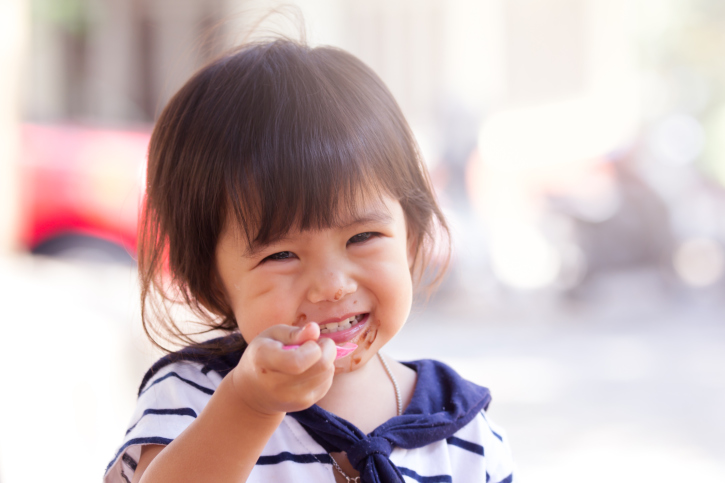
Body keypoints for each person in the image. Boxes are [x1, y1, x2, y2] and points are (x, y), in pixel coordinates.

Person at [104, 38, 514, 483]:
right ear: (211, 279)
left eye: (362, 237)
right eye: (281, 254)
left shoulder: (462, 428)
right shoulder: (194, 396)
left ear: (411, 237)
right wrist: (250, 406)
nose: (331, 285)